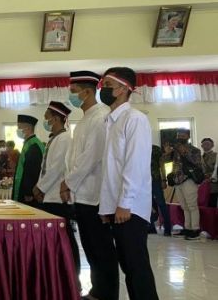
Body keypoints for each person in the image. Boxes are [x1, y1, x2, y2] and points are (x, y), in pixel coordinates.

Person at [99, 67, 158, 299]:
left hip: (130, 209)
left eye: (108, 85)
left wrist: (124, 203)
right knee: (128, 266)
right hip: (118, 207)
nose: (103, 90)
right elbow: (111, 170)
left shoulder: (135, 119)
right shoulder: (111, 120)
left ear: (124, 88)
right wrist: (107, 207)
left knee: (136, 268)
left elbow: (135, 165)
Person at [61, 71, 117, 300]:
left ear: (87, 91)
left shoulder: (100, 116)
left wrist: (68, 182)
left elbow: (90, 157)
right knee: (91, 248)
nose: (71, 96)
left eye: (73, 92)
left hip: (95, 194)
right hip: (82, 194)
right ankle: (97, 290)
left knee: (102, 249)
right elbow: (74, 158)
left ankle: (108, 294)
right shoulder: (85, 118)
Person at [32, 102, 80, 282]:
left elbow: (56, 167)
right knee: (54, 239)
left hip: (57, 197)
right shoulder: (54, 138)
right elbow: (45, 168)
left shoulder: (65, 138)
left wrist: (40, 187)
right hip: (49, 196)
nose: (45, 119)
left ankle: (72, 277)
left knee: (65, 239)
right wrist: (40, 185)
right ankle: (56, 275)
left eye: (47, 116)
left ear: (57, 117)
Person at [164, 129, 203, 240]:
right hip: (177, 180)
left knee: (192, 206)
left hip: (189, 180)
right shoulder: (174, 151)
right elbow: (165, 161)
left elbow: (196, 163)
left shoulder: (195, 150)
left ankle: (195, 230)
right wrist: (167, 154)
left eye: (183, 135)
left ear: (188, 136)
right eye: (178, 135)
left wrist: (184, 152)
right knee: (184, 207)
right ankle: (187, 229)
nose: (180, 137)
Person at [12, 115, 44, 205]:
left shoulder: (33, 146)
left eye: (19, 127)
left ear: (28, 128)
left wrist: (29, 192)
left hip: (29, 195)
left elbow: (33, 170)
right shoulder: (29, 143)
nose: (17, 130)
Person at [150, 145, 172, 236]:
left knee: (161, 204)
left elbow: (162, 165)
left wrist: (164, 179)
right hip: (142, 181)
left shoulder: (155, 149)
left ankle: (167, 228)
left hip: (155, 180)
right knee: (147, 205)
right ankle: (150, 227)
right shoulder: (136, 146)